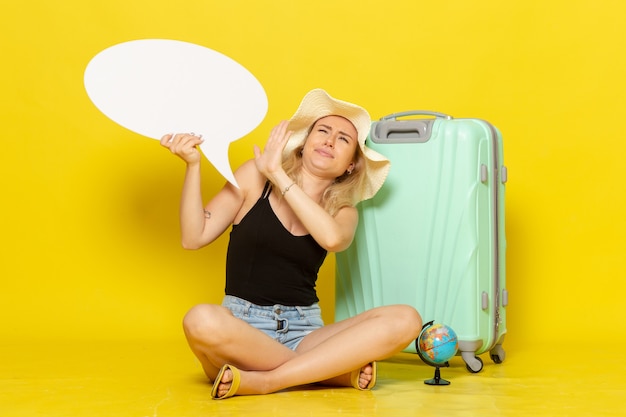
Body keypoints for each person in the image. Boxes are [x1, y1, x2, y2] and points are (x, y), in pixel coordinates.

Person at [160, 89, 422, 399]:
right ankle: (328, 372)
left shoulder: (344, 212)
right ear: (304, 144)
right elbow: (194, 237)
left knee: (406, 319)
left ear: (351, 164)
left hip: (304, 331)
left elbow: (332, 240)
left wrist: (278, 174)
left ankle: (269, 381)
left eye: (343, 140)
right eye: (323, 131)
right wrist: (193, 165)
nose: (328, 141)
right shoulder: (254, 179)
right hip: (242, 329)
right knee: (200, 320)